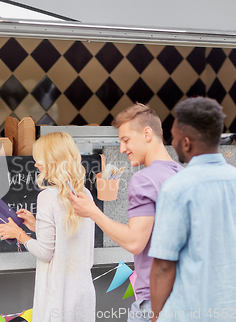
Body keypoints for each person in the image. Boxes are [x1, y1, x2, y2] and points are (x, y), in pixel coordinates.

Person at [148, 97, 236, 321]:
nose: (173, 143)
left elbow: (162, 266)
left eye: (175, 137)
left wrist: (156, 316)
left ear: (187, 142)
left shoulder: (177, 189)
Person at [69, 103, 183, 322]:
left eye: (126, 140)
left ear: (147, 134)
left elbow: (135, 242)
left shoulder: (144, 180)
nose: (121, 149)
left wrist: (93, 212)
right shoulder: (183, 175)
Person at [0, 132, 96, 322]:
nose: (36, 164)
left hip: (57, 296)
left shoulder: (47, 197)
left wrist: (19, 235)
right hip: (82, 293)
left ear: (53, 159)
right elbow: (67, 239)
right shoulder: (84, 193)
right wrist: (36, 226)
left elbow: (46, 253)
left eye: (40, 159)